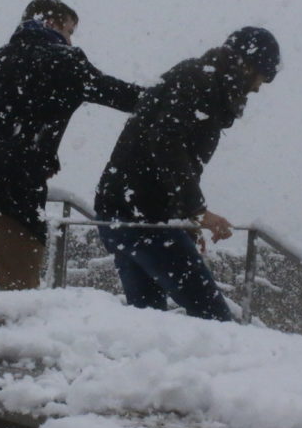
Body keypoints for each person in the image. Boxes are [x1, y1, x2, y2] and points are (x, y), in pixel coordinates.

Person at [0, 0, 142, 291]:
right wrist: (173, 99)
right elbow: (122, 95)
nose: (69, 39)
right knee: (19, 296)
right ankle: (14, 338)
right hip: (7, 193)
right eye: (70, 30)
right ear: (52, 23)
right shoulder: (65, 61)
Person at [94, 27, 280, 321]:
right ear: (246, 64)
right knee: (214, 318)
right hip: (142, 214)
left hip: (125, 207)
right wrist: (198, 210)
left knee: (147, 321)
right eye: (261, 76)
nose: (258, 87)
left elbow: (173, 154)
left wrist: (185, 216)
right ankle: (233, 365)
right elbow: (166, 145)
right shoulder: (199, 82)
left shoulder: (203, 82)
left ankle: (148, 365)